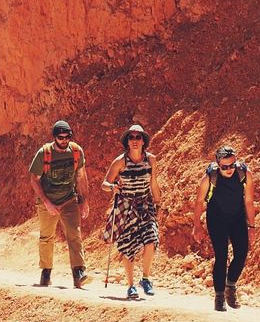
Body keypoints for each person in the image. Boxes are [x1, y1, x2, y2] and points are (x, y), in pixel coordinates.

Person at [101, 123, 162, 299]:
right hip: (126, 208)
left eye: (138, 137)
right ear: (127, 141)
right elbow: (104, 184)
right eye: (131, 137)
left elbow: (153, 183)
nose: (134, 140)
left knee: (151, 239)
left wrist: (158, 203)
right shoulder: (120, 162)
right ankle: (130, 286)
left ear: (143, 141)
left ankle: (145, 279)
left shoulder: (151, 160)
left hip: (145, 206)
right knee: (128, 246)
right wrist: (113, 187)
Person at [29, 119, 90, 288]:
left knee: (74, 233)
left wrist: (84, 201)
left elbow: (81, 176)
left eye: (67, 137)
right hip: (48, 200)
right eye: (60, 137)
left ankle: (78, 273)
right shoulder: (44, 153)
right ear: (54, 137)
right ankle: (46, 271)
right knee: (47, 237)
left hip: (69, 199)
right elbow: (34, 179)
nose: (64, 140)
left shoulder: (76, 152)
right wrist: (47, 203)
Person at [195, 144, 255, 310]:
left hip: (237, 218)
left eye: (232, 165)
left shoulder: (244, 174)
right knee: (221, 257)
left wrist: (252, 227)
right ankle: (219, 297)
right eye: (225, 167)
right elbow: (199, 201)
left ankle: (231, 286)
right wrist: (197, 226)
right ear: (218, 164)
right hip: (216, 219)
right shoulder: (210, 177)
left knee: (242, 253)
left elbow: (249, 201)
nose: (229, 170)